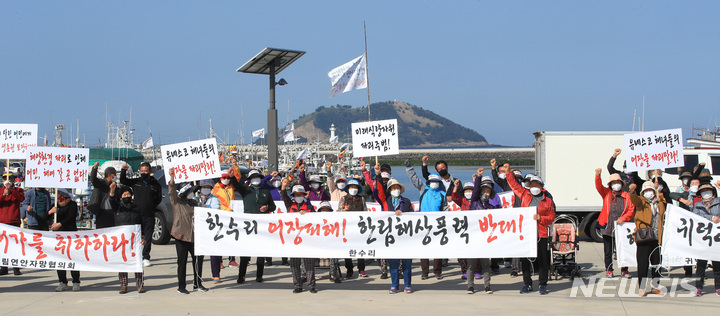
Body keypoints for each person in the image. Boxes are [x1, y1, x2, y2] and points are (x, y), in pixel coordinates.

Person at [505, 164, 555, 295]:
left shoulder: (548, 200)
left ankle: (543, 284)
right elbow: (514, 185)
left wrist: (541, 218)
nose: (534, 187)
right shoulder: (525, 195)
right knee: (525, 261)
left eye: (536, 185)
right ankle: (527, 284)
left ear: (541, 187)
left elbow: (551, 217)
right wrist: (508, 173)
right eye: (532, 185)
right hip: (527, 233)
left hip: (541, 234)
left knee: (543, 261)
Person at [229, 165, 277, 283]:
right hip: (248, 226)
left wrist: (267, 208)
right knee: (245, 253)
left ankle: (259, 275)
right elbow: (236, 185)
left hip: (261, 225)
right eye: (253, 177)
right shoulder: (246, 190)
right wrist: (232, 178)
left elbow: (273, 206)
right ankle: (241, 276)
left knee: (260, 253)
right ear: (250, 179)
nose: (256, 179)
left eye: (257, 177)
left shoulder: (266, 191)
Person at [452, 168, 495, 294]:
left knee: (485, 265)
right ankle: (470, 286)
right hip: (472, 237)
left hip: (485, 238)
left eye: (488, 192)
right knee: (470, 264)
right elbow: (475, 190)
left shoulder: (491, 207)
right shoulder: (474, 202)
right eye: (484, 191)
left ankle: (487, 286)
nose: (486, 194)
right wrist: (479, 178)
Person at [406, 159, 448, 279]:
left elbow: (445, 208)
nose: (434, 183)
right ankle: (425, 272)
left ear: (439, 182)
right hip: (423, 223)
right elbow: (414, 179)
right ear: (429, 182)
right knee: (423, 248)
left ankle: (437, 271)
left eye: (436, 181)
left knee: (437, 249)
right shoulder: (423, 188)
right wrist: (409, 167)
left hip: (437, 224)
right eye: (432, 181)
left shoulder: (442, 193)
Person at [372, 178, 414, 294]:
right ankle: (394, 285)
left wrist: (403, 213)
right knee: (393, 263)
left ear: (400, 189)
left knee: (407, 263)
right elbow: (377, 193)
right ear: (390, 190)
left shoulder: (406, 201)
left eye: (397, 188)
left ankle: (407, 285)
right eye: (393, 188)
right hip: (391, 237)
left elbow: (413, 216)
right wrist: (377, 177)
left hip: (405, 236)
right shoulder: (386, 201)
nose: (396, 190)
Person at [168, 169, 206, 294]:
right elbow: (171, 191)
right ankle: (181, 285)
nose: (192, 193)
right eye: (189, 192)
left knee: (197, 260)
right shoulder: (177, 202)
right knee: (182, 261)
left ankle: (197, 283)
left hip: (194, 236)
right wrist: (172, 177)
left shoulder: (194, 202)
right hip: (181, 235)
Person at [120, 163, 162, 267]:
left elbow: (159, 198)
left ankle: (146, 257)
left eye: (146, 171)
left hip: (149, 214)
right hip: (136, 214)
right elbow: (123, 181)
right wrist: (123, 171)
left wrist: (152, 206)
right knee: (136, 236)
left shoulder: (155, 184)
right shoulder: (136, 181)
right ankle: (134, 255)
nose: (144, 173)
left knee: (147, 236)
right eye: (142, 171)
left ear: (150, 171)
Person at [595, 169, 635, 278]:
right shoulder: (606, 194)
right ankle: (609, 270)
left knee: (623, 249)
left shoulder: (627, 196)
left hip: (622, 226)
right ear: (610, 185)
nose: (616, 185)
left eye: (618, 182)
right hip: (607, 226)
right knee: (608, 250)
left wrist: (624, 218)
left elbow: (631, 210)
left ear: (621, 184)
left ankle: (624, 270)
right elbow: (599, 187)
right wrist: (598, 176)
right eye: (613, 183)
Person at [628, 181, 665, 296]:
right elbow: (634, 199)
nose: (649, 193)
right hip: (644, 236)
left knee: (656, 263)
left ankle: (655, 287)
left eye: (651, 191)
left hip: (657, 237)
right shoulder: (641, 202)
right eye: (646, 191)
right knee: (643, 263)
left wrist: (661, 197)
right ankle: (642, 288)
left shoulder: (659, 203)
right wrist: (632, 191)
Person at [108, 184, 146, 294]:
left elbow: (142, 223)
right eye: (124, 194)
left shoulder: (136, 208)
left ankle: (140, 284)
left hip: (135, 239)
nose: (127, 196)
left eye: (128, 194)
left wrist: (144, 236)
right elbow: (111, 201)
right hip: (122, 240)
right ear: (120, 197)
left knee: (137, 261)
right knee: (123, 262)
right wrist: (112, 190)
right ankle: (124, 285)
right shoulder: (118, 207)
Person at [280, 180, 317, 293]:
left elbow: (316, 220)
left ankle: (311, 286)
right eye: (296, 195)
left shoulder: (309, 206)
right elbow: (284, 196)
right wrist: (283, 187)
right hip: (293, 239)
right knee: (294, 264)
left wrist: (306, 213)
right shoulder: (290, 205)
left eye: (300, 194)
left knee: (309, 264)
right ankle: (297, 285)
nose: (298, 197)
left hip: (306, 239)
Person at [48, 189, 80, 291]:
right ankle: (62, 281)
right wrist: (50, 212)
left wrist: (60, 224)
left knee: (72, 258)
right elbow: (45, 217)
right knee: (59, 259)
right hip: (58, 236)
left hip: (70, 234)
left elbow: (71, 217)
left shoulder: (72, 204)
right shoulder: (55, 205)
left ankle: (76, 281)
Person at [691, 183, 720, 296]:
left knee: (717, 264)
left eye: (708, 191)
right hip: (702, 239)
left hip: (716, 239)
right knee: (701, 265)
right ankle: (698, 287)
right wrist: (711, 218)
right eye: (704, 191)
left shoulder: (718, 202)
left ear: (713, 192)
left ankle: (718, 286)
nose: (706, 193)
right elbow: (695, 217)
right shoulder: (697, 205)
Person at [339, 179, 368, 277]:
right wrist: (344, 210)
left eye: (355, 187)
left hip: (359, 227)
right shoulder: (343, 199)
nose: (353, 189)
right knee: (348, 249)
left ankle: (361, 269)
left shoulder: (361, 199)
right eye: (351, 187)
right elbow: (338, 213)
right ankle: (349, 269)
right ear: (348, 188)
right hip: (347, 228)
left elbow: (366, 212)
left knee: (360, 248)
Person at [0, 180, 25, 276]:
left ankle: (16, 267)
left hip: (14, 221)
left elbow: (21, 199)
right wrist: (3, 194)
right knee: (2, 246)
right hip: (2, 222)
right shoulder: (1, 190)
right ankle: (3, 267)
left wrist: (12, 191)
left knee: (15, 245)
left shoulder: (18, 190)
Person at [88, 162, 116, 229]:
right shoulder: (101, 183)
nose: (115, 176)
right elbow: (93, 179)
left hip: (112, 212)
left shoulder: (114, 185)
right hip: (101, 212)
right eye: (115, 174)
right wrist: (94, 168)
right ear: (110, 175)